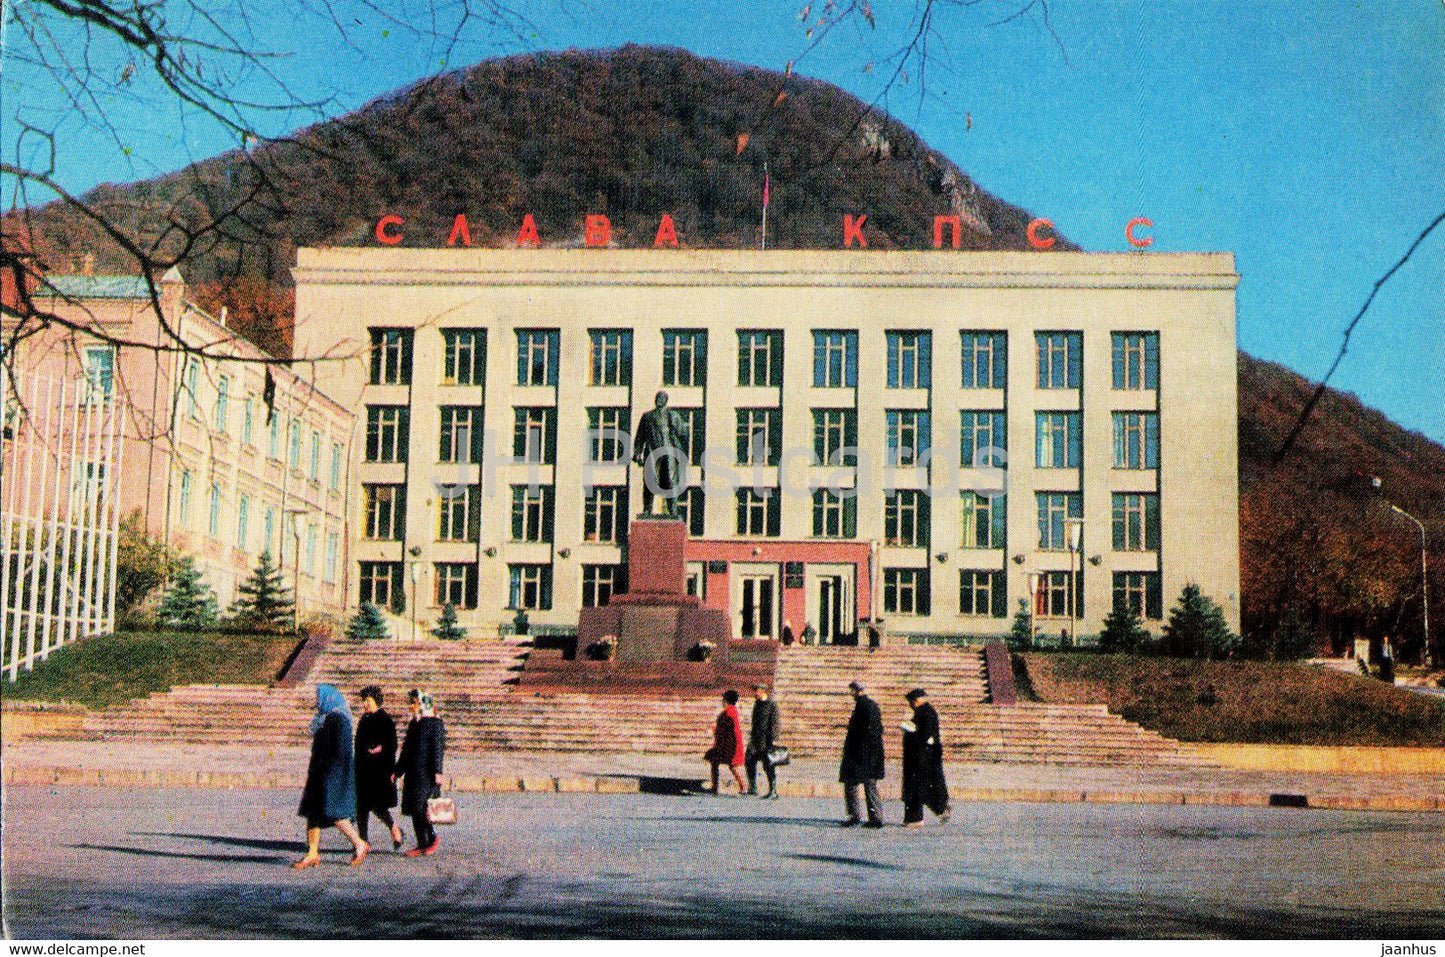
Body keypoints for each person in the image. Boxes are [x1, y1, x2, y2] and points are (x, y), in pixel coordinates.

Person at [293, 684, 368, 869]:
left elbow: (341, 751)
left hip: (332, 774)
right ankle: (312, 853)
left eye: (319, 697)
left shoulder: (338, 719)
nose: (317, 701)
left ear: (329, 698)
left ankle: (359, 844)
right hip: (320, 773)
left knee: (333, 811)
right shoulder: (325, 718)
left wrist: (331, 773)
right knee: (314, 812)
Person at [395, 689, 446, 857]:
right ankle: (421, 842)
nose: (411, 706)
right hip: (413, 772)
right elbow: (406, 750)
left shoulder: (435, 723)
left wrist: (438, 771)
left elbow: (438, 749)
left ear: (422, 702)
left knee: (421, 807)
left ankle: (431, 838)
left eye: (414, 702)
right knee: (412, 808)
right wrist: (398, 771)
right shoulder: (415, 723)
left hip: (427, 773)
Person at [354, 685, 403, 850]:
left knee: (378, 806)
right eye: (364, 701)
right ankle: (363, 841)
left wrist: (380, 750)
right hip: (363, 769)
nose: (365, 704)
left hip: (380, 769)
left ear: (376, 701)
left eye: (368, 701)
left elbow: (392, 744)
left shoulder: (385, 719)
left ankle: (394, 828)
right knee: (361, 807)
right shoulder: (364, 719)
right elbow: (358, 744)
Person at [839, 680, 885, 828]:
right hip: (870, 753)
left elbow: (866, 732)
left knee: (851, 783)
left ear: (855, 691)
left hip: (860, 753)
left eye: (851, 692)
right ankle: (875, 817)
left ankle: (855, 815)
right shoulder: (871, 706)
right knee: (869, 786)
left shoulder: (863, 707)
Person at [900, 688, 950, 828]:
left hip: (922, 757)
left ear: (916, 701)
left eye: (911, 701)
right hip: (919, 756)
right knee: (919, 787)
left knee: (917, 787)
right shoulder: (924, 712)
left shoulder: (927, 713)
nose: (911, 704)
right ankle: (937, 809)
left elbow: (925, 735)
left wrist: (910, 732)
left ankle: (917, 817)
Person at [704, 689, 747, 795]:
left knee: (726, 764)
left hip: (728, 745)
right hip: (728, 744)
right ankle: (742, 787)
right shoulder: (732, 711)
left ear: (726, 700)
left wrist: (714, 731)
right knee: (721, 763)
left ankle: (717, 787)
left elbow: (726, 729)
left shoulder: (728, 712)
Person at [745, 684, 781, 798]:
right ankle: (752, 787)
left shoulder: (771, 705)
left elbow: (775, 722)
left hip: (766, 740)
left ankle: (773, 790)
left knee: (768, 765)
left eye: (757, 691)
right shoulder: (757, 704)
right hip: (755, 739)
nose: (755, 693)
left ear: (762, 691)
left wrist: (774, 739)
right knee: (749, 759)